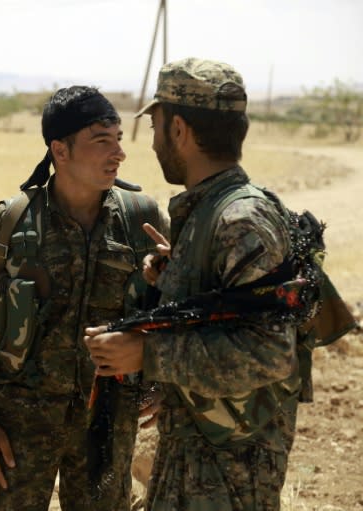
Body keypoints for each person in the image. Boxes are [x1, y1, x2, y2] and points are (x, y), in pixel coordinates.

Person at [84, 58, 299, 511]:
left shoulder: (240, 220)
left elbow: (271, 352)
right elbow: (229, 313)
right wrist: (173, 279)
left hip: (229, 475)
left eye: (156, 127)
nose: (153, 141)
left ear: (179, 129)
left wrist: (148, 353)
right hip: (194, 458)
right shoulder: (208, 212)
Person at [0, 86, 165, 510]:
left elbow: (168, 311)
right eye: (101, 141)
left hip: (107, 425)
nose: (118, 153)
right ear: (60, 150)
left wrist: (161, 380)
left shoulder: (141, 221)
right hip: (18, 428)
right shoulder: (11, 224)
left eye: (119, 139)